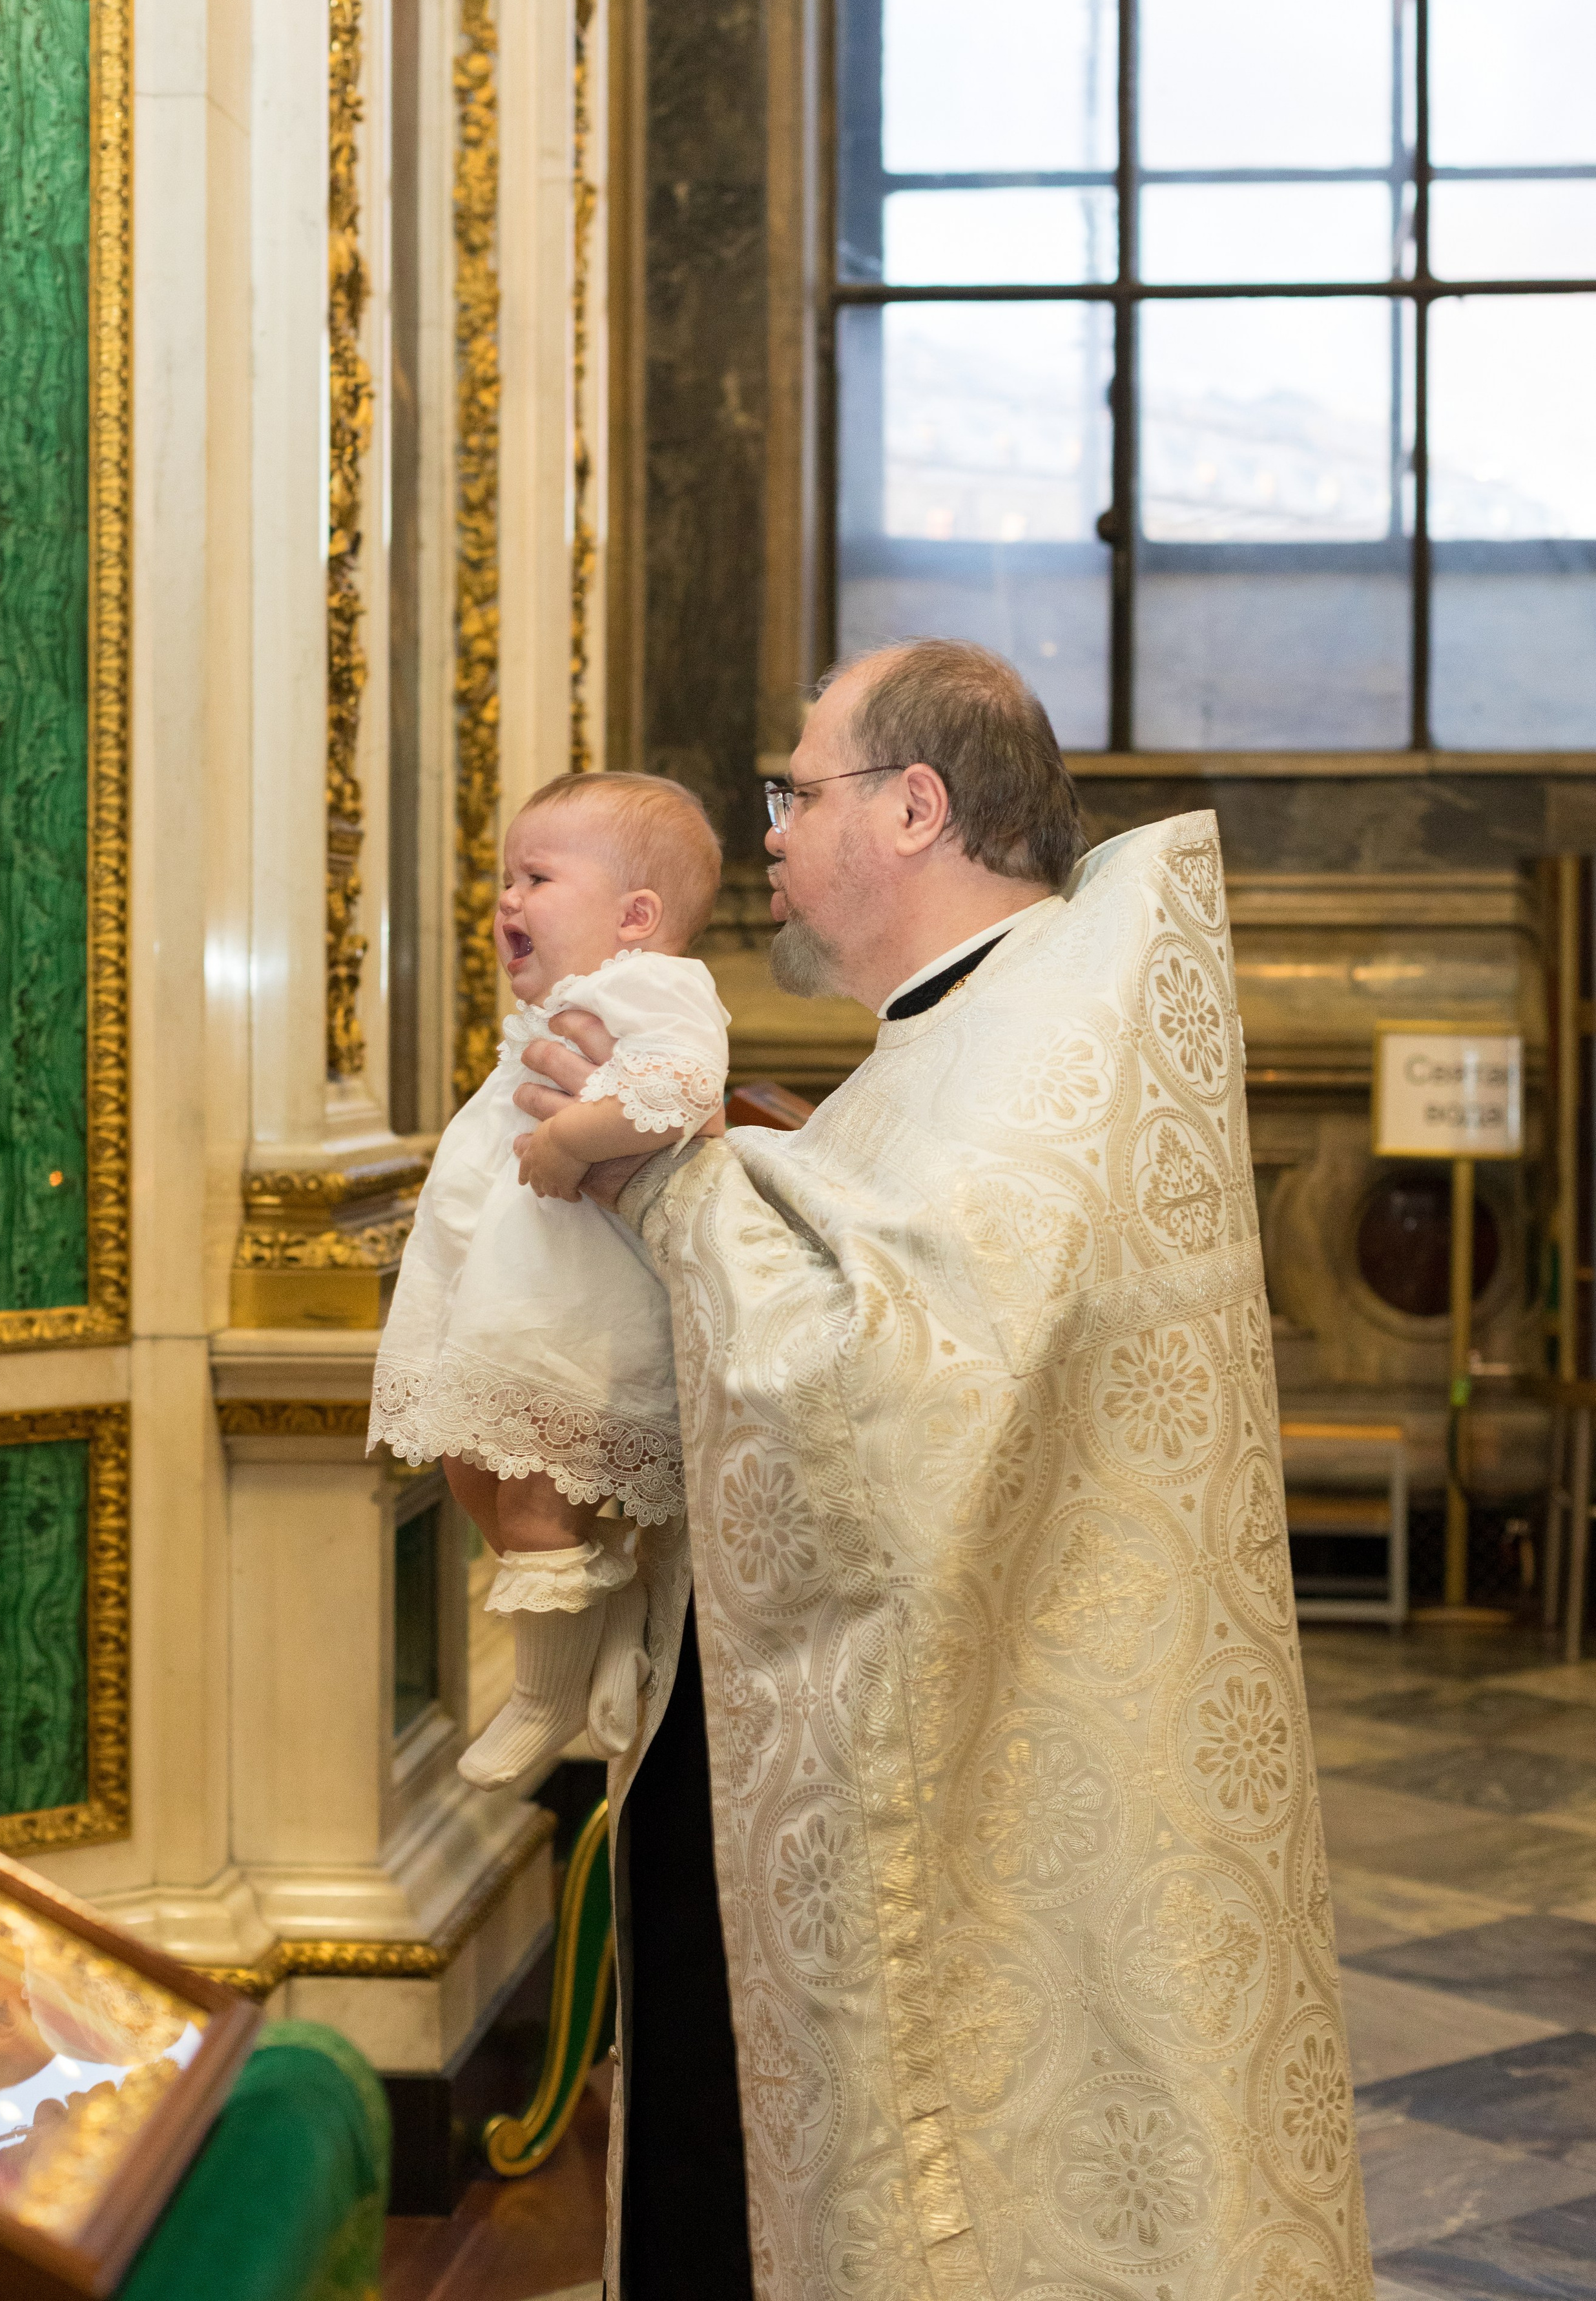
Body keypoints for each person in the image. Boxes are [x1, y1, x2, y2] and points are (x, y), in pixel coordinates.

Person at [516, 643, 1371, 2301]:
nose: (764, 830)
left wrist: (661, 1193)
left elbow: (882, 1392)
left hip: (983, 1784)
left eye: (795, 789)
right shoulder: (956, 1038)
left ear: (915, 806)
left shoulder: (1036, 1039)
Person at [368, 770, 731, 1786]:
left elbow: (683, 1089)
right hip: (506, 1306)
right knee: (469, 1469)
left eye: (536, 877)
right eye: (503, 879)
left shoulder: (650, 986)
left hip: (573, 1318)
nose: (508, 901)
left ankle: (542, 1699)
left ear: (636, 917)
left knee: (533, 1506)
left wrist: (574, 1140)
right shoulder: (577, 1000)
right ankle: (610, 1618)